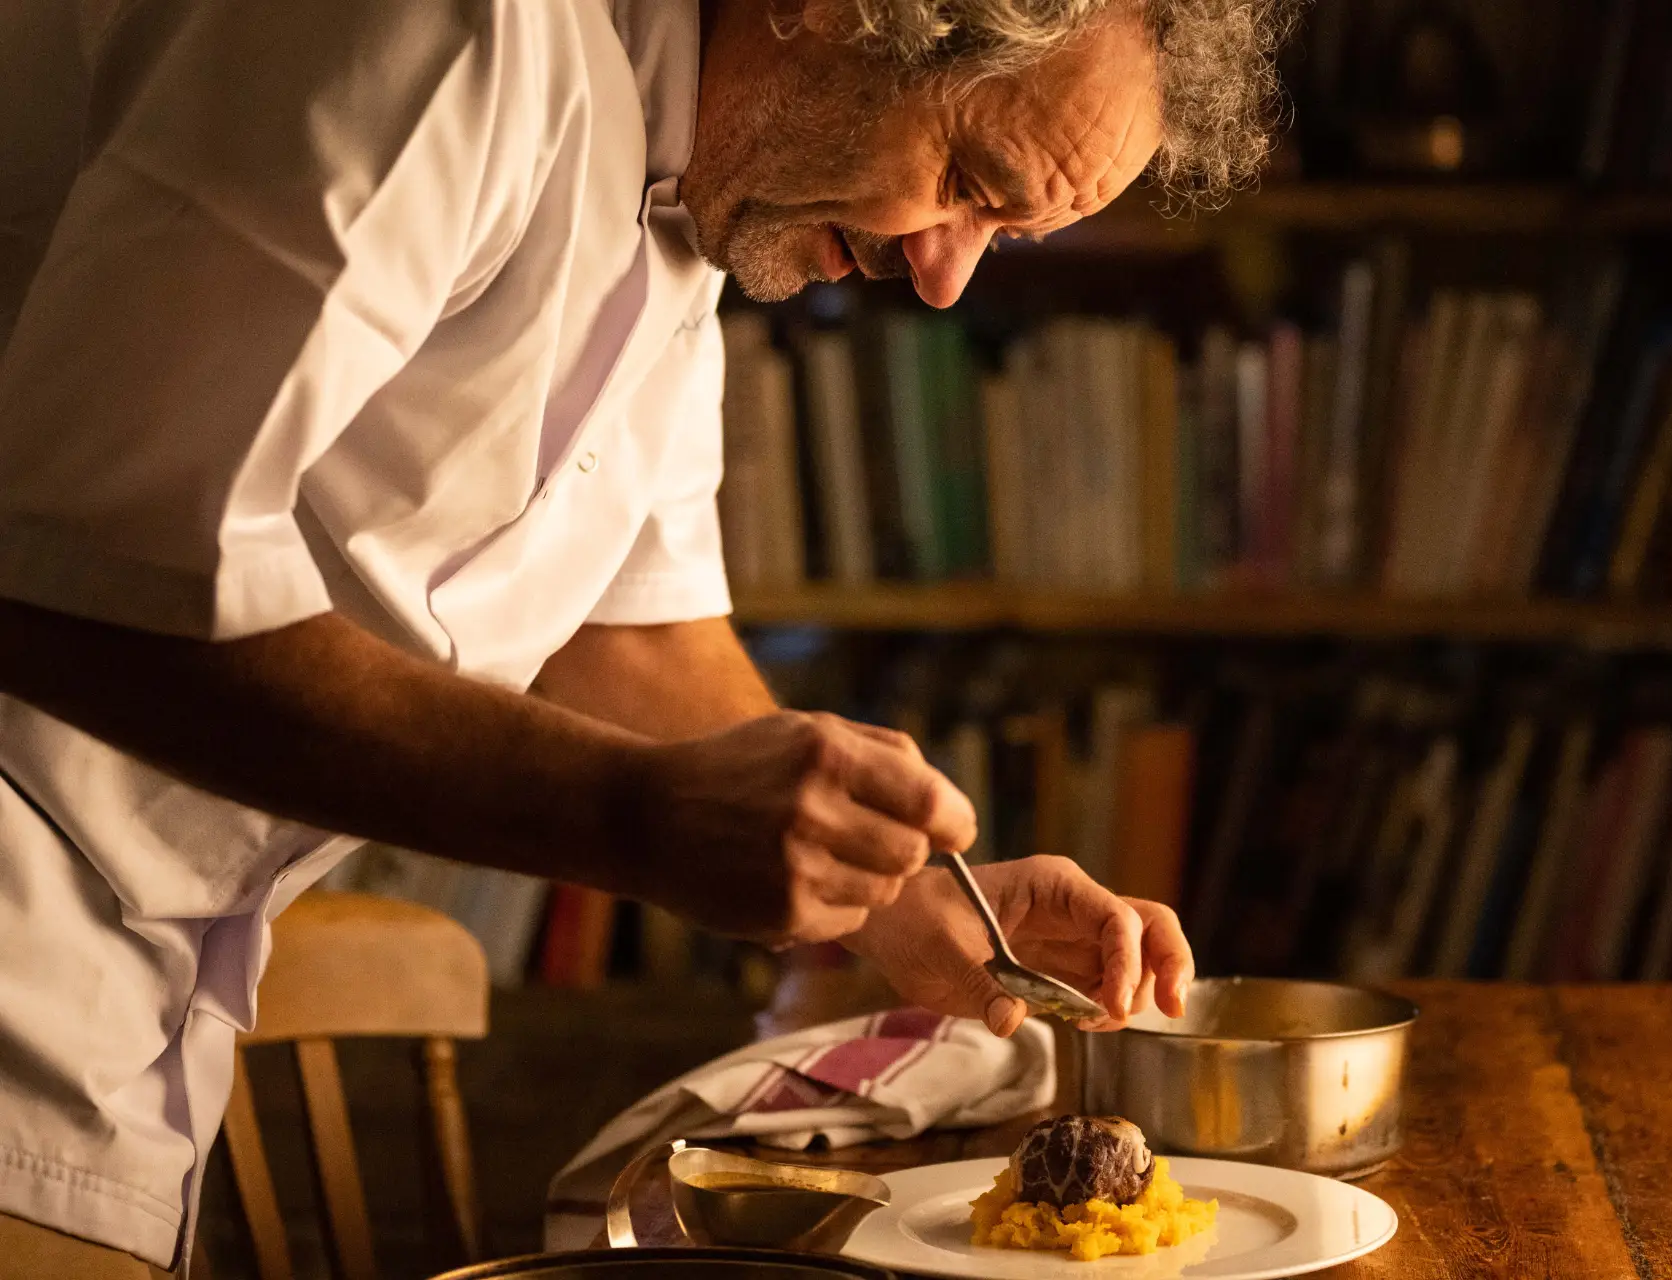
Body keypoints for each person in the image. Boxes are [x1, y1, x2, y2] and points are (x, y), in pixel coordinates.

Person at [0, 0, 1283, 1272]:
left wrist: (906, 898)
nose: (947, 280)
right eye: (967, 180)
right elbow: (87, 579)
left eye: (1007, 230)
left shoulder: (706, 173)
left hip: (130, 1020)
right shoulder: (457, 30)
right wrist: (634, 816)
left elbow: (633, 635)